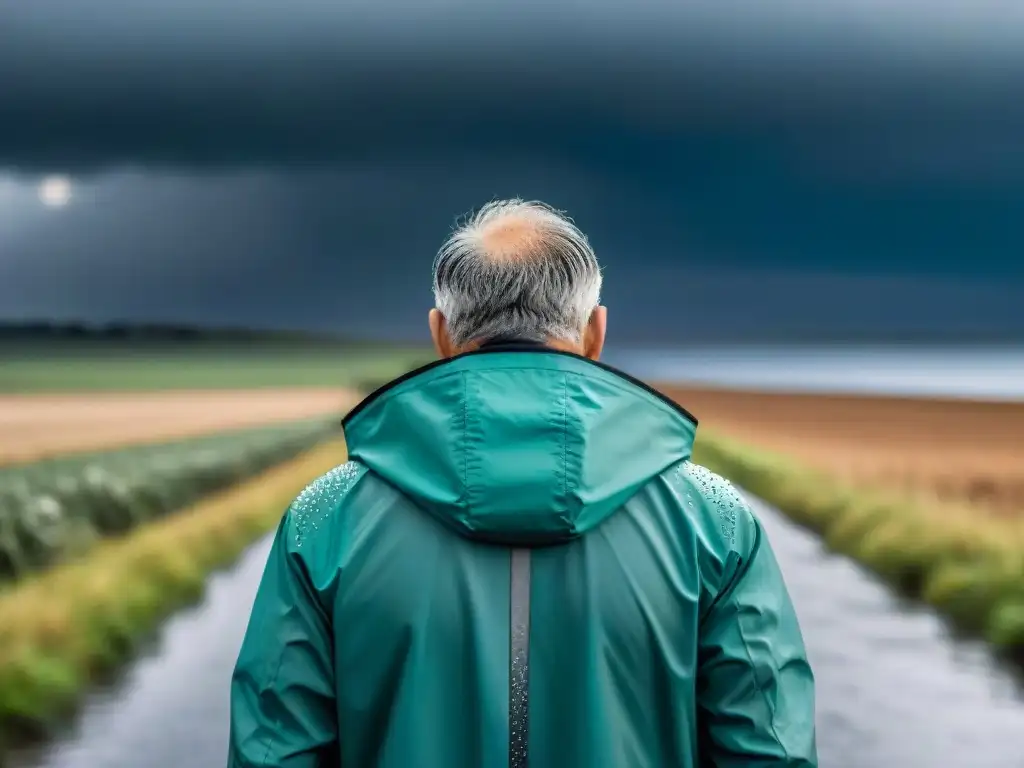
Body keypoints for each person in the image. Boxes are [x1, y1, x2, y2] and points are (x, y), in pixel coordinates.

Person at [227, 199, 818, 767]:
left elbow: (273, 751)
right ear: (595, 332)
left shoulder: (325, 520)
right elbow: (772, 752)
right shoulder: (714, 524)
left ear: (440, 335)